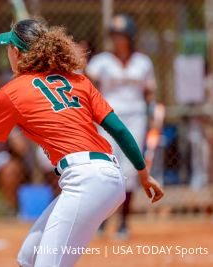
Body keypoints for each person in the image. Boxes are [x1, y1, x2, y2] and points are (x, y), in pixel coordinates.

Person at [0, 19, 164, 267]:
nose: (8, 53)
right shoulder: (78, 80)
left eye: (9, 48)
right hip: (108, 176)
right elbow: (119, 130)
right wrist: (144, 174)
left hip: (85, 181)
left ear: (16, 52)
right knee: (28, 258)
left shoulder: (10, 93)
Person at [86, 14, 160, 239]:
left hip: (135, 117)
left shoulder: (142, 62)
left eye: (122, 36)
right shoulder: (101, 61)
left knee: (129, 169)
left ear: (130, 37)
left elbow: (149, 93)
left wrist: (153, 116)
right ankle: (100, 221)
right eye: (114, 36)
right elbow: (87, 86)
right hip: (107, 117)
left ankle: (123, 222)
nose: (118, 40)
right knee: (106, 167)